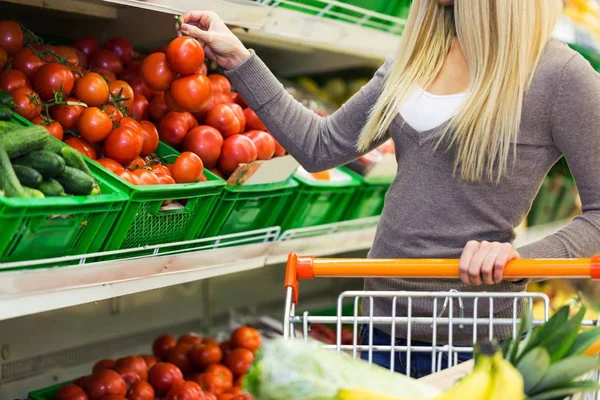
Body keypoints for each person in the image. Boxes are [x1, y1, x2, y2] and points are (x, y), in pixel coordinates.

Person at [178, 0, 600, 377]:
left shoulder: (559, 76)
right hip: (379, 326)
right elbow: (319, 146)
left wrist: (520, 261)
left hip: (471, 341)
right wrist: (238, 59)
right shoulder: (418, 56)